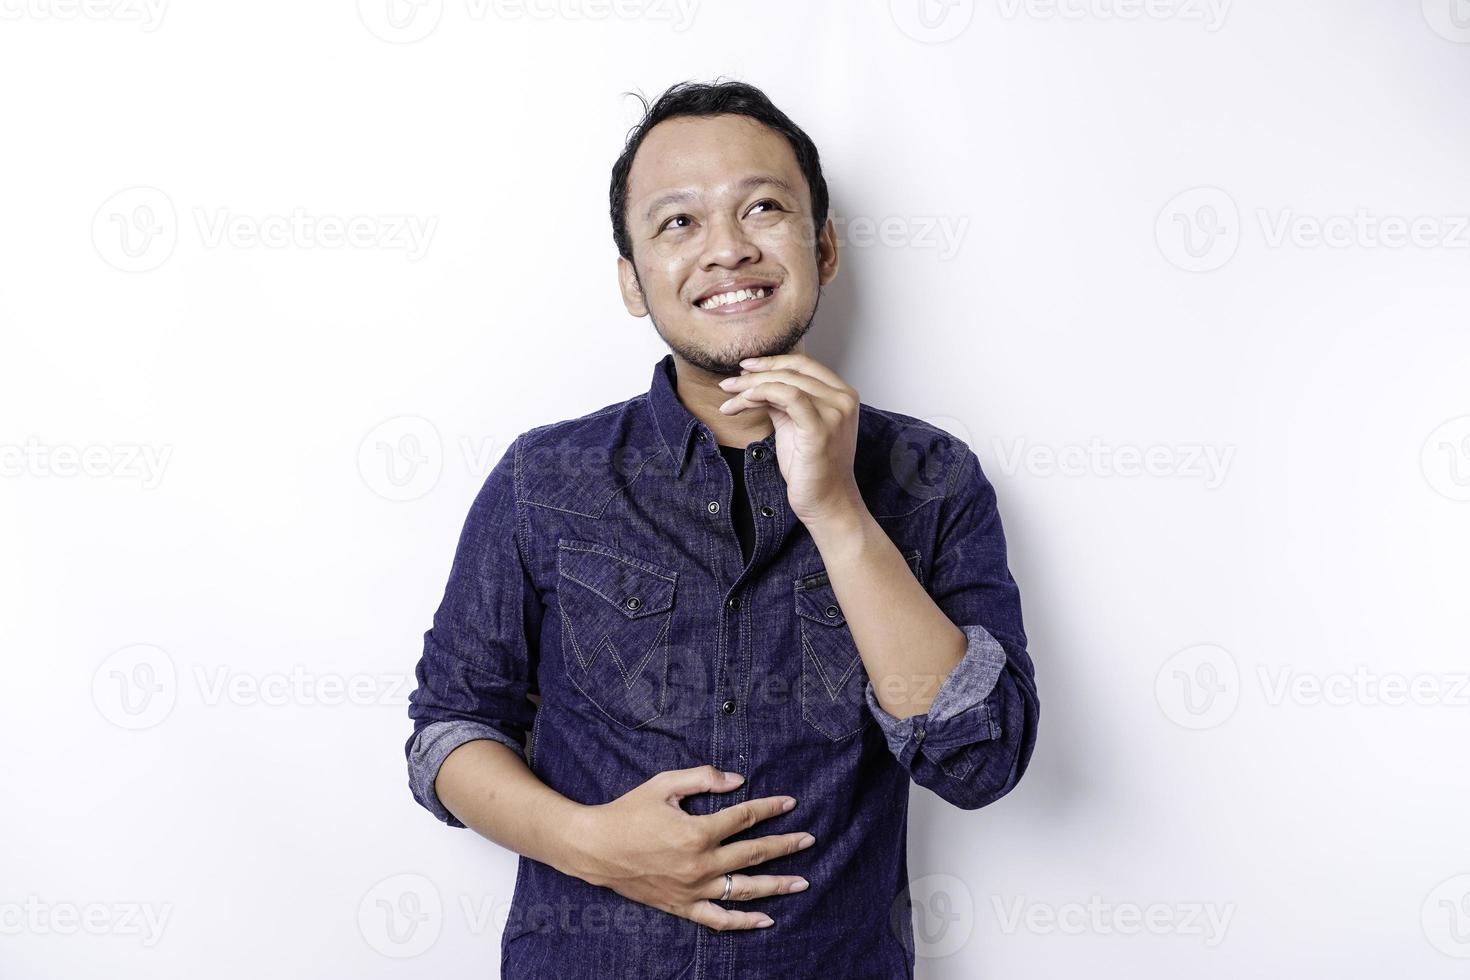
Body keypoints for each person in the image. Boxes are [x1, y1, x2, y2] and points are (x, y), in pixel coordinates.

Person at [404, 78, 1040, 978]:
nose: (728, 251)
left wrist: (838, 511)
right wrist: (592, 843)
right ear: (633, 279)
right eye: (679, 224)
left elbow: (980, 762)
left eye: (764, 208)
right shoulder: (544, 478)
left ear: (822, 246)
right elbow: (448, 731)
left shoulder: (930, 479)